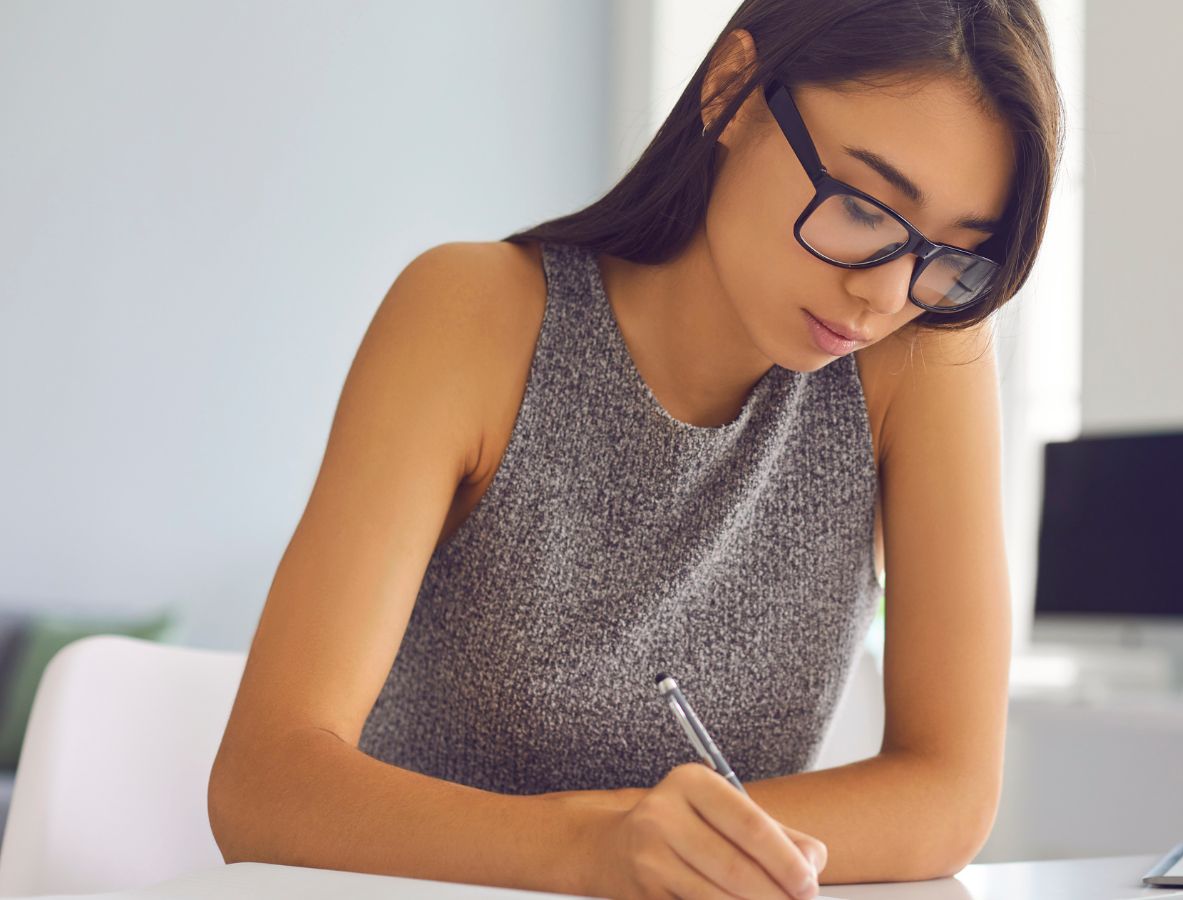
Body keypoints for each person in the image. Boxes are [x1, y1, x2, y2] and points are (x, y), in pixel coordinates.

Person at [205, 1, 1063, 898]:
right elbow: (264, 784)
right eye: (860, 206)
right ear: (734, 91)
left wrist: (675, 855)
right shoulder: (470, 317)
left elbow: (950, 792)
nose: (885, 294)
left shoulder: (921, 356)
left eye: (953, 257)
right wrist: (590, 848)